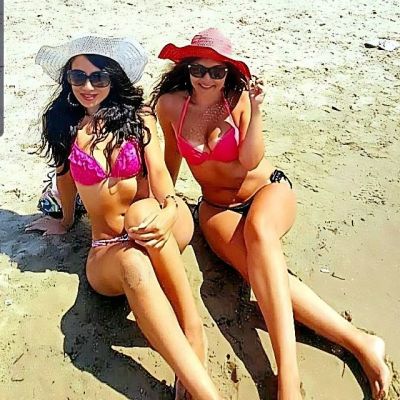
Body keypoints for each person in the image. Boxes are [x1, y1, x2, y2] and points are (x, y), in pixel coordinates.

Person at [150, 28, 391, 400]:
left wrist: (256, 109)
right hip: (217, 209)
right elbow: (169, 161)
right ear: (186, 68)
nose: (207, 78)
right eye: (198, 69)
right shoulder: (169, 106)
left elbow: (251, 160)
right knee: (262, 275)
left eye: (217, 71)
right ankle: (361, 343)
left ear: (229, 73)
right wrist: (163, 201)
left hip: (266, 190)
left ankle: (288, 380)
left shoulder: (239, 100)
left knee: (260, 232)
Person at [26, 35, 222, 400]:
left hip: (158, 225)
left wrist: (168, 211)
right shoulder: (63, 124)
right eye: (78, 76)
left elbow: (160, 177)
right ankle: (204, 389)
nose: (87, 86)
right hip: (110, 249)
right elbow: (64, 180)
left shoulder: (138, 117)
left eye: (98, 77)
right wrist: (65, 222)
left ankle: (192, 328)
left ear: (113, 78)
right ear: (67, 79)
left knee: (140, 212)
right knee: (133, 261)